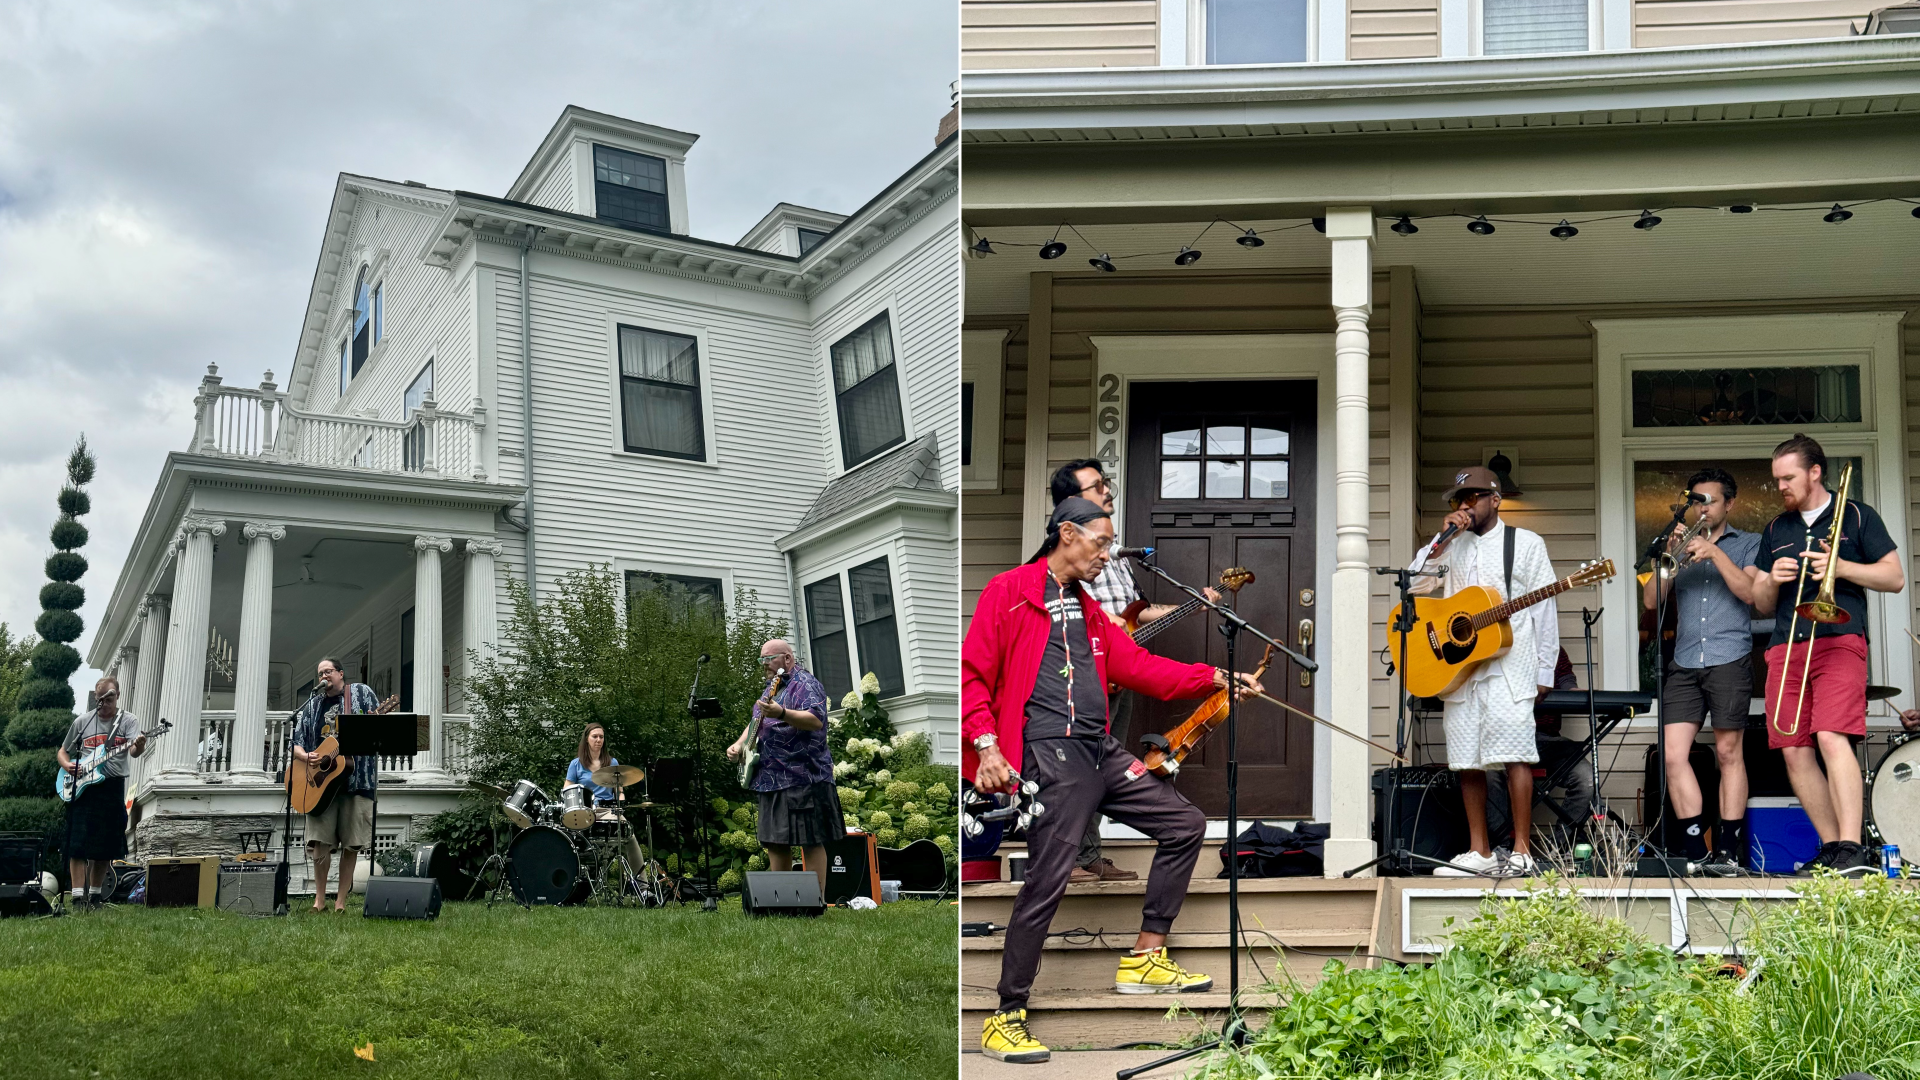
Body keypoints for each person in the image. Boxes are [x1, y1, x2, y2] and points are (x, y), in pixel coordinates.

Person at [965, 496, 1262, 1064]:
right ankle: (1005, 1017)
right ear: (1067, 534)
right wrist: (985, 745)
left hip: (1098, 748)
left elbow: (1138, 667)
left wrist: (1215, 678)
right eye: (1102, 543)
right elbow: (974, 675)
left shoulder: (1089, 608)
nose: (1108, 554)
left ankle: (1145, 956)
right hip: (1047, 751)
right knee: (1048, 879)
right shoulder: (1008, 592)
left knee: (1184, 824)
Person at [1050, 458, 1219, 885]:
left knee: (1105, 760)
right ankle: (1068, 859)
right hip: (1079, 673)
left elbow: (1135, 615)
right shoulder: (1061, 555)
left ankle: (1089, 857)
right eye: (1097, 486)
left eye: (1106, 484)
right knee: (1078, 764)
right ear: (1071, 503)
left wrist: (1192, 605)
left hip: (1116, 672)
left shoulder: (1116, 554)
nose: (1107, 491)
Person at [1749, 434, 1903, 876]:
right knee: (1794, 750)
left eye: (1788, 477)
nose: (1780, 486)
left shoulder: (1856, 515)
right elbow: (1760, 603)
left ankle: (1853, 847)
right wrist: (1770, 580)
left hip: (1838, 641)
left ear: (1815, 472)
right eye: (1777, 478)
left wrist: (1840, 568)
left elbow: (1894, 578)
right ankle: (1832, 845)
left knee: (1833, 737)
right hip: (1786, 645)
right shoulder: (1777, 528)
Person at [1408, 465, 1558, 878]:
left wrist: (1545, 667)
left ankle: (1523, 852)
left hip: (1510, 667)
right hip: (1458, 669)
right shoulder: (1451, 546)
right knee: (1465, 761)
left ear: (1495, 499)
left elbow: (1544, 605)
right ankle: (1481, 852)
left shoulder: (1525, 543)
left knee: (1515, 756)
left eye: (1474, 497)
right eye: (1460, 499)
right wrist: (1438, 544)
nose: (1465, 505)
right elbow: (1414, 587)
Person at [1639, 467, 1760, 874]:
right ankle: (1696, 852)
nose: (1702, 508)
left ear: (1729, 504)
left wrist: (1715, 553)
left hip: (1729, 656)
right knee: (1673, 756)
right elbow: (1653, 602)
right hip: (1685, 660)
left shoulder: (1749, 544)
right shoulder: (1679, 544)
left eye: (1709, 501)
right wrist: (1668, 563)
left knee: (1728, 753)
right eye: (1696, 501)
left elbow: (1752, 595)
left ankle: (1727, 850)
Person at [727, 639, 839, 897]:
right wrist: (738, 745)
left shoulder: (806, 684)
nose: (764, 664)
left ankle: (815, 900)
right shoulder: (771, 688)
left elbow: (815, 720)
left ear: (787, 659)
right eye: (761, 659)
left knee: (810, 841)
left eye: (770, 658)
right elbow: (757, 721)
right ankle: (782, 900)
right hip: (770, 777)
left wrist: (782, 713)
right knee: (775, 842)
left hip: (803, 776)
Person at [290, 658, 380, 913]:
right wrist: (304, 756)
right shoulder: (313, 705)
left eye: (328, 671)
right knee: (320, 842)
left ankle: (341, 901)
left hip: (356, 780)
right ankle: (319, 900)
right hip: (319, 785)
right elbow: (295, 741)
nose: (324, 676)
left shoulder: (360, 694)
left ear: (341, 674)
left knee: (351, 844)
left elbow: (378, 727)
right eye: (320, 673)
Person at [1485, 648, 1593, 848]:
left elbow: (1569, 686)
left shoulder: (1555, 651)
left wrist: (1581, 694)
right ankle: (1501, 849)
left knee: (1585, 776)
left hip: (1547, 741)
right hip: (1505, 738)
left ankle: (1557, 847)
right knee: (1490, 773)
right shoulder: (1499, 646)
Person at [57, 676, 146, 905]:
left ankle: (95, 895)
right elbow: (63, 752)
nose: (105, 703)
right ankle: (77, 897)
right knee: (77, 843)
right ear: (95, 699)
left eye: (110, 698)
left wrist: (140, 744)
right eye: (101, 699)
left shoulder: (127, 721)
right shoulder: (82, 722)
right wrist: (68, 765)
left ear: (117, 695)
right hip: (83, 789)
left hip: (112, 785)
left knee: (105, 844)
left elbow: (134, 751)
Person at [563, 721, 648, 877]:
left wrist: (621, 802)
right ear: (587, 739)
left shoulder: (612, 763)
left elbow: (619, 791)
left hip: (608, 810)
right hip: (585, 811)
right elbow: (567, 790)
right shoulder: (576, 764)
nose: (598, 740)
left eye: (601, 737)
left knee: (629, 835)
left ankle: (643, 888)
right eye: (594, 736)